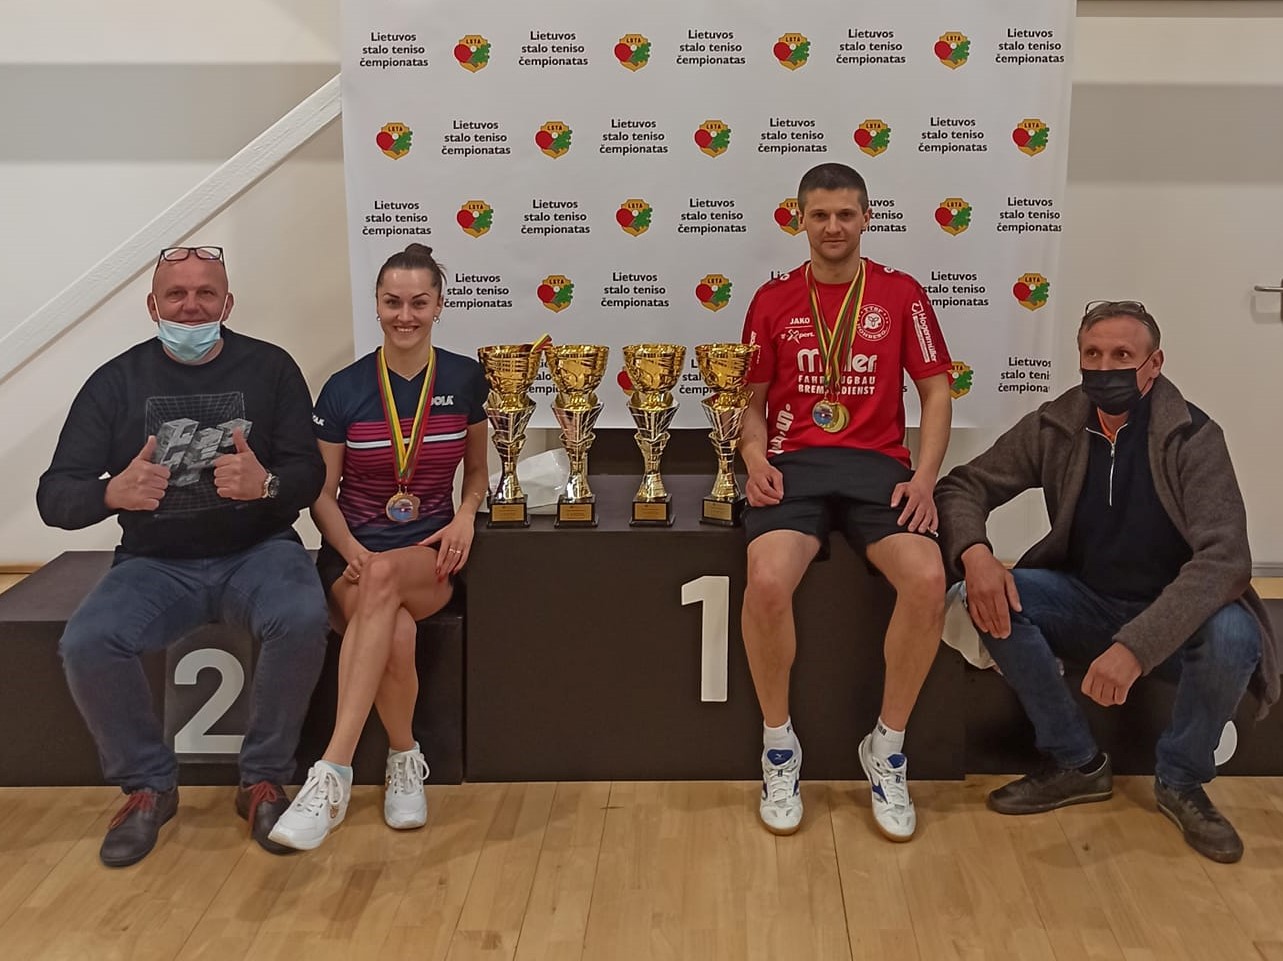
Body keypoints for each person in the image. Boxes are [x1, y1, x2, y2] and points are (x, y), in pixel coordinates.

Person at [935, 300, 1279, 863]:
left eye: (1122, 355)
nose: (1105, 366)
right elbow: (962, 486)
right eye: (1092, 354)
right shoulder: (1056, 424)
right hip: (1087, 602)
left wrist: (1135, 647)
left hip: (1174, 622)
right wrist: (976, 555)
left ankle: (1182, 781)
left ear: (1154, 364)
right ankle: (1076, 762)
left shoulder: (1193, 437)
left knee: (1235, 635)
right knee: (991, 597)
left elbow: (1227, 560)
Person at [36, 245, 329, 867]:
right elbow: (54, 496)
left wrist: (267, 485)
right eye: (176, 294)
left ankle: (263, 779)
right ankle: (148, 786)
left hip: (259, 552)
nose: (191, 306)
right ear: (153, 306)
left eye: (205, 294)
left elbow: (309, 473)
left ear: (228, 303)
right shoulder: (115, 382)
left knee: (302, 616)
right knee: (89, 641)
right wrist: (109, 493)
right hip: (155, 563)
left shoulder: (271, 368)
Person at [739, 163, 953, 840]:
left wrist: (924, 478)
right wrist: (753, 459)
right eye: (820, 215)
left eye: (845, 214)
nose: (833, 227)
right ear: (798, 219)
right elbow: (749, 402)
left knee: (927, 580)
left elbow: (936, 391)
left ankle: (886, 749)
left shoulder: (901, 294)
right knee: (766, 581)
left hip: (877, 468)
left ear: (866, 218)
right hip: (793, 466)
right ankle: (779, 748)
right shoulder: (772, 300)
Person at [268, 243, 489, 851]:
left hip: (431, 556)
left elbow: (476, 472)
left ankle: (331, 772)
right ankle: (404, 757)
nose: (405, 315)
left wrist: (466, 515)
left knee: (389, 579)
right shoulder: (344, 389)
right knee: (396, 631)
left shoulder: (465, 378)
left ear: (439, 306)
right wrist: (352, 552)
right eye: (393, 302)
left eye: (419, 302)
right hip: (351, 559)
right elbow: (321, 493)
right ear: (377, 305)